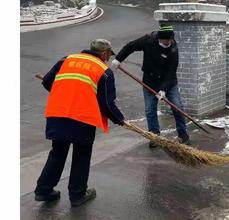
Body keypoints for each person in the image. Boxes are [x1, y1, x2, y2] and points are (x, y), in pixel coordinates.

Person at [35, 39, 125, 207]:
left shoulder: (66, 60)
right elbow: (106, 103)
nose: (107, 58)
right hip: (82, 117)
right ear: (104, 53)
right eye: (108, 55)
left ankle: (43, 190)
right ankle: (77, 195)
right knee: (81, 155)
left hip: (58, 112)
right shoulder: (104, 71)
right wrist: (119, 119)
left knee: (57, 152)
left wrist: (66, 93)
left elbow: (48, 82)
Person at [112, 24, 190, 146]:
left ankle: (183, 134)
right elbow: (130, 46)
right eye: (166, 40)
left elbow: (171, 71)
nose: (168, 42)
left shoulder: (173, 48)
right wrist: (118, 59)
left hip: (168, 82)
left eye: (170, 40)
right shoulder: (148, 40)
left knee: (177, 107)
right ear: (159, 38)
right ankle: (155, 136)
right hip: (150, 80)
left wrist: (164, 90)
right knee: (150, 110)